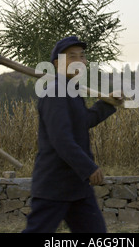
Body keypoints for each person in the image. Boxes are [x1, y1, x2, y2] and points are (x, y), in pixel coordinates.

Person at [23, 36, 123, 233]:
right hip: (54, 185)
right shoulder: (55, 92)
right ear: (57, 64)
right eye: (72, 57)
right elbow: (61, 139)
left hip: (77, 187)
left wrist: (107, 103)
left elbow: (83, 121)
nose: (79, 61)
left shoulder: (71, 91)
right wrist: (88, 167)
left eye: (82, 56)